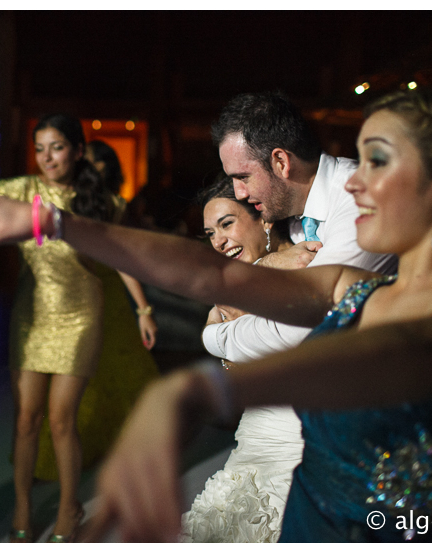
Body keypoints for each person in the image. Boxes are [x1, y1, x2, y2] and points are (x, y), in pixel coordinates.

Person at [0, 88, 432, 542]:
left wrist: (199, 393)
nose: (353, 179)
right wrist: (53, 225)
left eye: (376, 160)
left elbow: (411, 351)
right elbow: (216, 276)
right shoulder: (361, 288)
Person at [0, 113, 156, 542]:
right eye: (40, 148)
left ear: (77, 151)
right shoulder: (19, 190)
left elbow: (124, 258)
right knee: (26, 419)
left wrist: (143, 309)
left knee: (62, 421)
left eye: (57, 147)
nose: (47, 157)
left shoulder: (101, 202)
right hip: (31, 316)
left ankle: (69, 506)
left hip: (82, 316)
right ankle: (24, 506)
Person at [204, 91, 397, 363]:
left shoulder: (357, 202)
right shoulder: (286, 214)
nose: (239, 193)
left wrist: (214, 336)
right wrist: (268, 265)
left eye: (243, 177)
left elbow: (302, 330)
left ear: (281, 162)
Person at [180, 175, 305, 543]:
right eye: (209, 233)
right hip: (253, 439)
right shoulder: (234, 286)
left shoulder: (305, 263)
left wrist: (217, 334)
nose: (218, 241)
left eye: (226, 224)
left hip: (300, 442)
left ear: (264, 218)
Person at [32, 139, 159, 484]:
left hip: (110, 301)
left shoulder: (111, 205)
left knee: (117, 378)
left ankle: (118, 451)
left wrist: (143, 309)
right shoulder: (56, 204)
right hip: (71, 302)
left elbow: (123, 260)